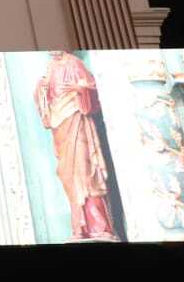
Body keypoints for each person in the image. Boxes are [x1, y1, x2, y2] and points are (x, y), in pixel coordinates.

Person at [34, 51, 120, 241]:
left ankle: (98, 227)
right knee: (69, 177)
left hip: (76, 119)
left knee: (86, 174)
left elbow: (92, 88)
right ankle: (79, 227)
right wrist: (42, 89)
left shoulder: (74, 62)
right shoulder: (50, 68)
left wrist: (79, 88)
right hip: (60, 124)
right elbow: (44, 101)